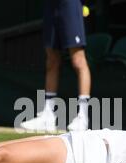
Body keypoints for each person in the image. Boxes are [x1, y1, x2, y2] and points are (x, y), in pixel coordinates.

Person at [20, 0, 92, 132]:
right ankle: (48, 116)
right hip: (51, 5)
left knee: (78, 60)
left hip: (70, 4)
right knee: (52, 60)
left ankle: (83, 116)